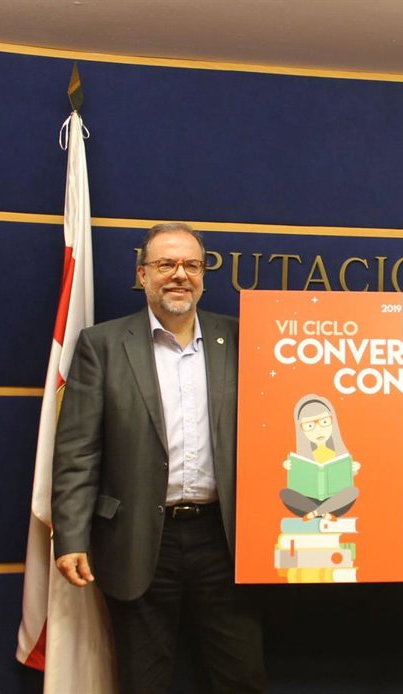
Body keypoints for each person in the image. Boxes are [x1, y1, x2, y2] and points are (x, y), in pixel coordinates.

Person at [51, 222, 266, 693]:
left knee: (243, 677)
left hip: (224, 539)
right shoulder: (103, 345)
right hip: (138, 537)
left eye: (192, 265)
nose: (180, 275)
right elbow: (77, 451)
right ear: (142, 274)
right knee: (143, 681)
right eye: (166, 264)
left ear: (204, 275)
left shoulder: (243, 339)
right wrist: (70, 536)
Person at [279, 394, 360, 521]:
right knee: (286, 494)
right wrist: (290, 467)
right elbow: (298, 483)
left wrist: (352, 469)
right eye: (310, 425)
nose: (318, 430)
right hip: (309, 498)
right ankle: (324, 513)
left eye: (324, 422)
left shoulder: (338, 452)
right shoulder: (303, 455)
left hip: (333, 498)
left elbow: (345, 481)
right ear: (301, 430)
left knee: (351, 492)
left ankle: (315, 513)